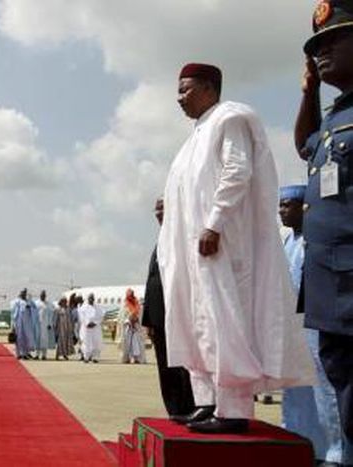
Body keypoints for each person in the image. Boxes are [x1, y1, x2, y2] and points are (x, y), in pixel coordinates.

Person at [158, 63, 313, 434]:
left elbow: (236, 171)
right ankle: (207, 402)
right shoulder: (195, 136)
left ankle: (234, 410)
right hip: (193, 252)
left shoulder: (230, 117)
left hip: (221, 245)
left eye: (186, 89)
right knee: (198, 325)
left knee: (223, 322)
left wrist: (215, 223)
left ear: (209, 88)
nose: (179, 98)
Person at [296, 2, 353, 457]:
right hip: (333, 294)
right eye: (316, 46)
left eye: (332, 40)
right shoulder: (334, 119)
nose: (320, 52)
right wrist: (309, 91)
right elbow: (304, 145)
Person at [279, 185, 349, 465]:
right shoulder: (286, 242)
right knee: (295, 387)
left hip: (315, 319)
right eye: (280, 206)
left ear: (303, 207)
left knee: (324, 385)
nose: (281, 211)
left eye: (287, 205)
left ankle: (336, 450)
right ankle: (298, 440)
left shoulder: (316, 238)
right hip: (292, 324)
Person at [142, 197, 195, 418]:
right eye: (156, 210)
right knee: (164, 365)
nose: (159, 213)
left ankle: (188, 408)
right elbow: (152, 281)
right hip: (158, 316)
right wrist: (148, 319)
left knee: (182, 365)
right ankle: (174, 409)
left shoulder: (184, 236)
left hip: (178, 314)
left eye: (163, 209)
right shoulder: (161, 240)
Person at [119, 289, 146, 364]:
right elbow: (121, 317)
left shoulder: (137, 304)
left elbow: (140, 315)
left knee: (137, 343)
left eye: (132, 294)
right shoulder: (124, 305)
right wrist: (128, 321)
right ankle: (126, 358)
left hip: (137, 327)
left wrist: (136, 320)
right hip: (127, 327)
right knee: (127, 344)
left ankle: (137, 358)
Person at [77, 293, 104, 363]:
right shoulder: (83, 307)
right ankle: (86, 357)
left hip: (95, 328)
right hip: (86, 328)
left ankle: (95, 357)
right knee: (86, 342)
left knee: (96, 342)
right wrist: (87, 323)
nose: (91, 299)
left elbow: (101, 317)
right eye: (90, 298)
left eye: (92, 298)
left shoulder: (98, 307)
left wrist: (95, 323)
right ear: (88, 299)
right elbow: (81, 317)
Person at [10, 289, 36, 359]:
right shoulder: (17, 302)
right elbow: (13, 312)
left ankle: (25, 354)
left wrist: (29, 307)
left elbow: (34, 308)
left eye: (24, 293)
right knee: (19, 338)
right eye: (22, 293)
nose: (23, 294)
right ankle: (18, 354)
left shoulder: (29, 301)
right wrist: (13, 324)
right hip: (19, 323)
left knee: (26, 338)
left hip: (27, 323)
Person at [34, 290, 56, 360]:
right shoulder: (36, 303)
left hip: (45, 325)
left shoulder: (48, 304)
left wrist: (50, 323)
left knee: (45, 340)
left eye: (44, 295)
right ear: (40, 295)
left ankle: (44, 355)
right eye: (42, 295)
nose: (43, 296)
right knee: (37, 339)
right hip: (37, 324)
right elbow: (34, 314)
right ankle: (37, 355)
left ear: (45, 296)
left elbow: (51, 315)